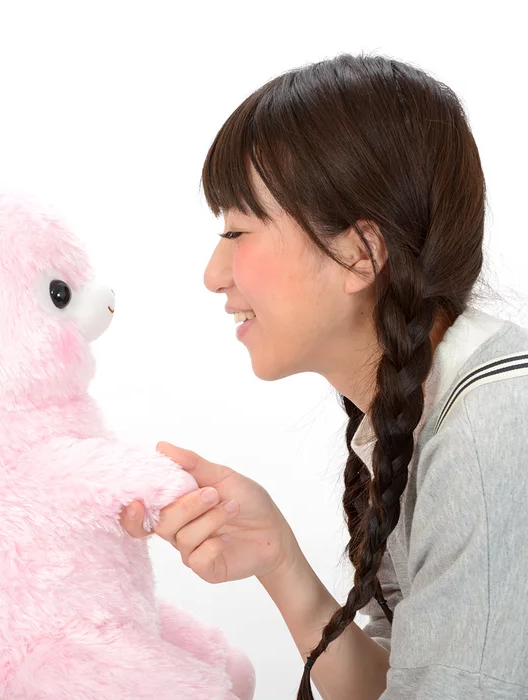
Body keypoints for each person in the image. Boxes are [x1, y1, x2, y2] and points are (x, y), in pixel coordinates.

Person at [120, 53, 528, 700]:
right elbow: (403, 681)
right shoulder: (424, 412)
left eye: (236, 231)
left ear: (360, 253)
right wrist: (280, 562)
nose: (213, 275)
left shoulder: (489, 430)